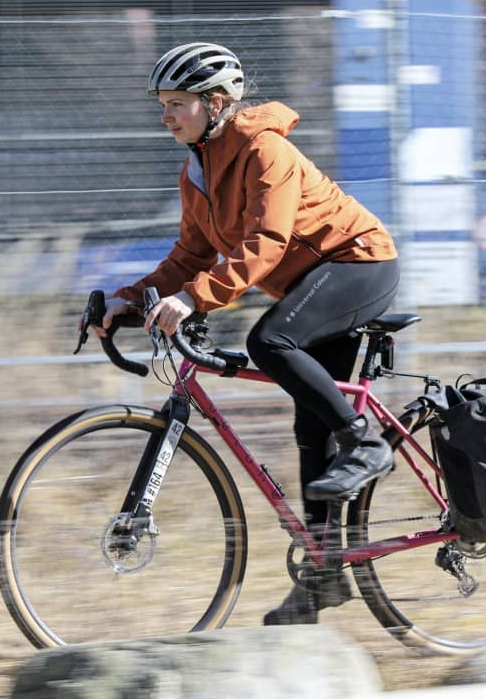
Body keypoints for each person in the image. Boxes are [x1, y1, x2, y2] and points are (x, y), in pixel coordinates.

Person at [85, 42, 400, 625]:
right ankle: (325, 576)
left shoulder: (265, 150)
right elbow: (189, 255)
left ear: (216, 103)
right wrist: (130, 300)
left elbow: (266, 244)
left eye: (177, 103)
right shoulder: (197, 171)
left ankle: (368, 442)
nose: (166, 116)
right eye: (162, 104)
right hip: (310, 288)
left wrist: (194, 298)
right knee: (312, 428)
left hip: (358, 265)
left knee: (269, 343)